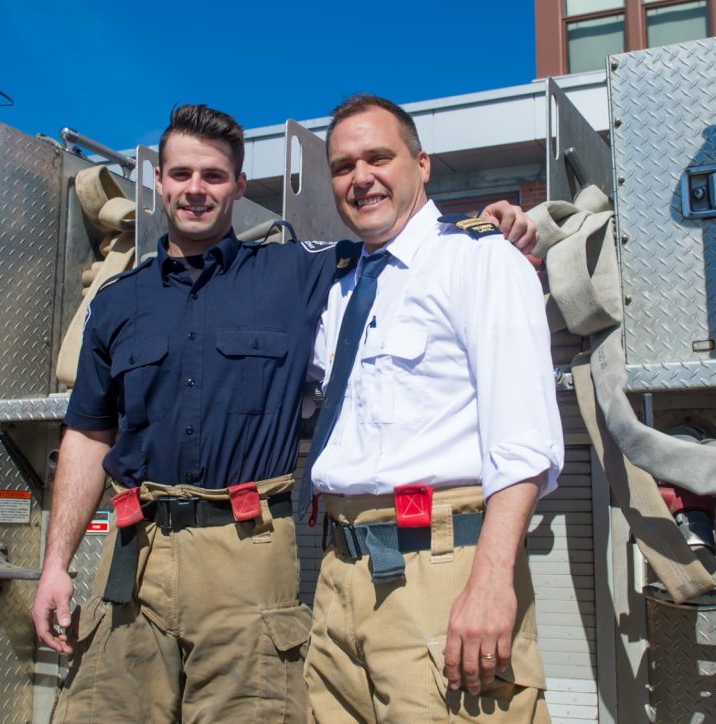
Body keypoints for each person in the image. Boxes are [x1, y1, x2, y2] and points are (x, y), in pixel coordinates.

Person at [31, 103, 539, 723]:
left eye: (214, 176)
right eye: (182, 174)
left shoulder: (300, 272)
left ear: (240, 187)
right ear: (158, 182)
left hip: (245, 552)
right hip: (135, 557)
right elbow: (86, 433)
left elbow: (407, 242)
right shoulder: (116, 304)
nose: (196, 190)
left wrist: (487, 223)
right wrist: (57, 564)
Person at [303, 94, 564, 723]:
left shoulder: (480, 260)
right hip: (338, 579)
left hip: (442, 572)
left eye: (378, 157)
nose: (360, 177)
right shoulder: (335, 291)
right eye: (343, 166)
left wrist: (492, 583)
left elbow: (524, 439)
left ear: (422, 164)